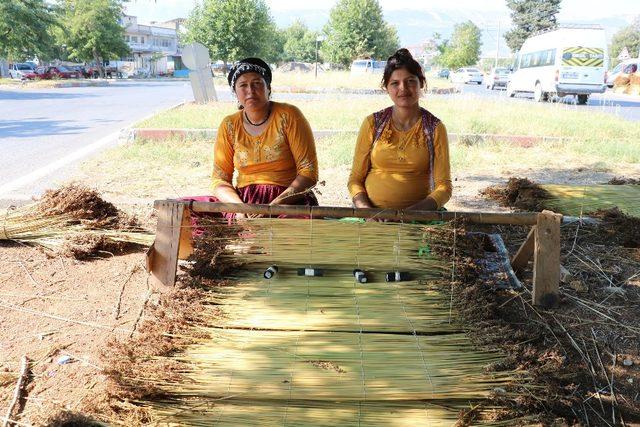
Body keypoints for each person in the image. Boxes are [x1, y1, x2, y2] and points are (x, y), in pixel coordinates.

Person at [179, 57, 319, 256]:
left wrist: (273, 208)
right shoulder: (229, 125)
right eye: (242, 85)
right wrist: (239, 209)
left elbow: (309, 172)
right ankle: (225, 251)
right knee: (182, 210)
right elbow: (219, 179)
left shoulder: (289, 116)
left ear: (268, 87)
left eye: (257, 83)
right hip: (244, 202)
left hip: (287, 201)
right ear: (235, 92)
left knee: (296, 229)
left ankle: (248, 248)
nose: (250, 91)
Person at [348, 49, 452, 211]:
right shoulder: (373, 124)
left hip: (419, 219)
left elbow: (444, 187)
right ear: (386, 87)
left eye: (410, 81)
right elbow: (355, 180)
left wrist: (410, 215)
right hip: (371, 217)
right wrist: (367, 211)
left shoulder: (434, 128)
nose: (403, 88)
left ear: (421, 83)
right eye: (395, 83)